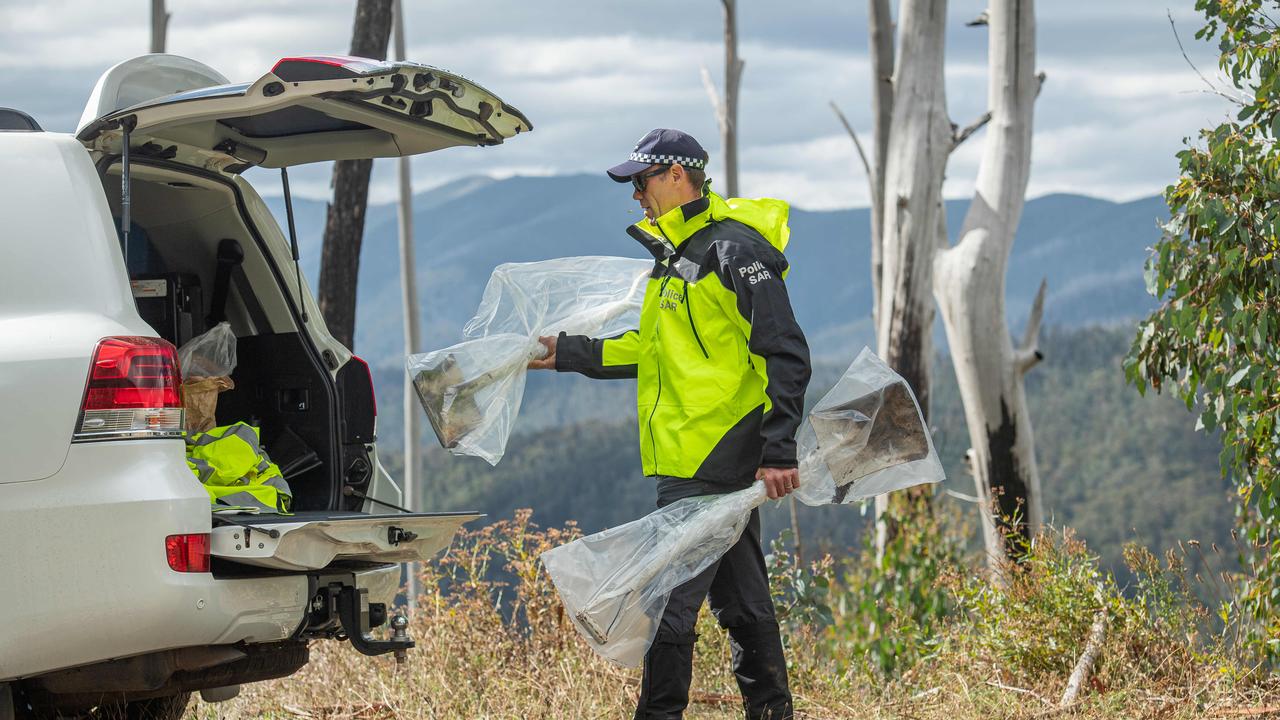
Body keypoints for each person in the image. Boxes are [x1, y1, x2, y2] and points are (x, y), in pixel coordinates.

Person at [530, 128, 810, 720]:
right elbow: (651, 351)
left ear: (678, 176)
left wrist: (779, 449)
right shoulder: (674, 259)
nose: (636, 195)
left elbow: (784, 350)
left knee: (665, 604)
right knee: (742, 599)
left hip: (715, 454)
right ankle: (773, 712)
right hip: (694, 458)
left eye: (642, 180)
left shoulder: (736, 253)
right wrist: (568, 353)